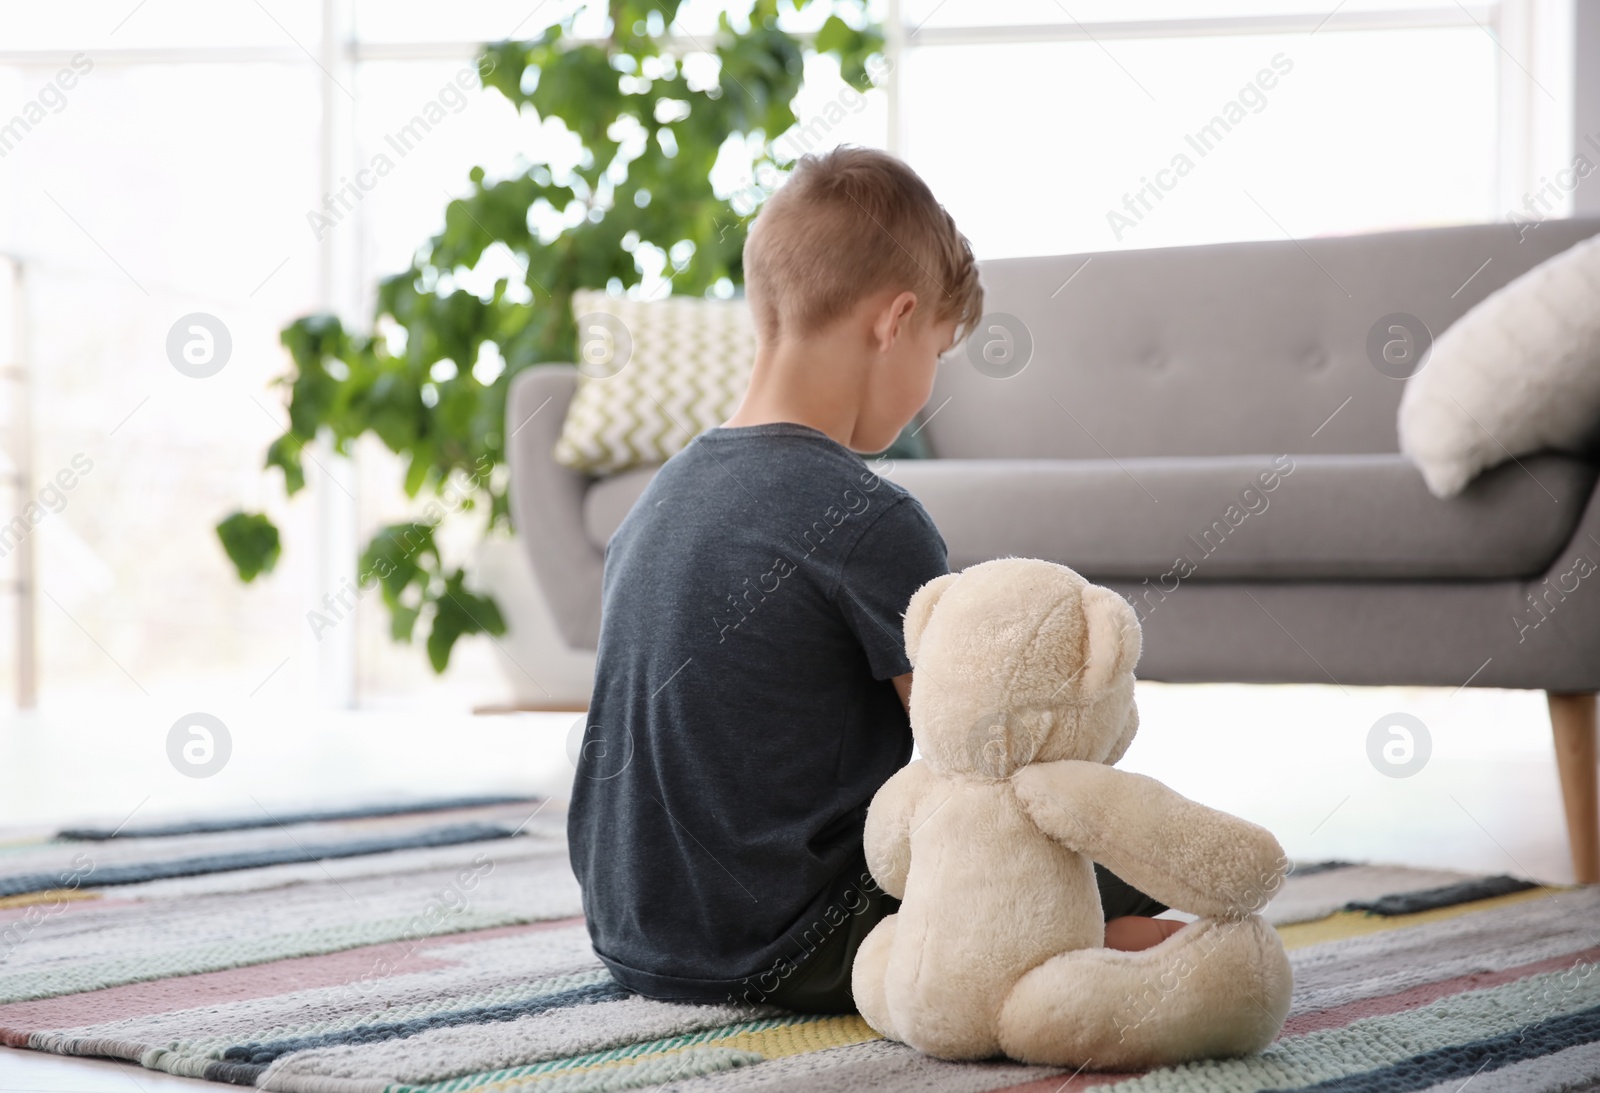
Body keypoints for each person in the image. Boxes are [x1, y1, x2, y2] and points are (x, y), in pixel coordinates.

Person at [567, 145, 1178, 1016]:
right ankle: (1059, 955)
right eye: (935, 349)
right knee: (1118, 864)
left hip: (636, 935)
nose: (928, 384)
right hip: (796, 941)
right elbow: (986, 753)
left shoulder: (658, 499)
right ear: (894, 322)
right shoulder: (868, 519)